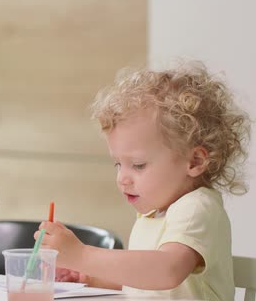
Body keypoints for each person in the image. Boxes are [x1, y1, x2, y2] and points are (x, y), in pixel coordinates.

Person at [36, 63, 250, 300]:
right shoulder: (153, 214)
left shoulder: (196, 208)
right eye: (118, 164)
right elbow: (146, 282)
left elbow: (166, 271)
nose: (122, 178)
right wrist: (88, 277)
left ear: (194, 161)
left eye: (138, 165)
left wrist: (82, 255)